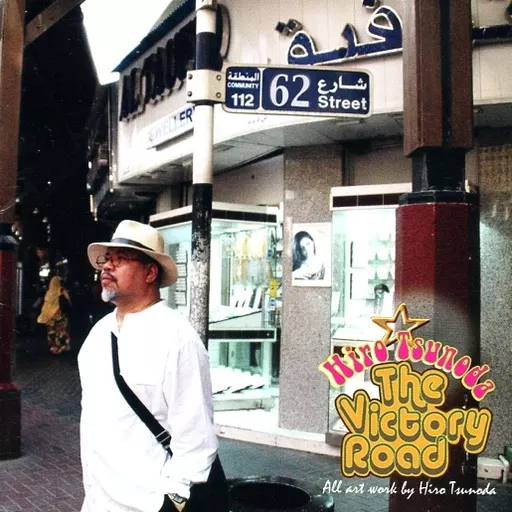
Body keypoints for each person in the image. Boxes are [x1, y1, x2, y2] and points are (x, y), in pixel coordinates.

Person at [79, 220, 226, 512]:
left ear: (150, 272)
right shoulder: (98, 335)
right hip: (98, 502)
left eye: (120, 259)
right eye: (107, 258)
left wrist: (173, 503)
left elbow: (196, 442)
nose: (107, 266)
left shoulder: (178, 339)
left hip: (149, 503)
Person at [37, 275, 71, 355]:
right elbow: (68, 300)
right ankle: (62, 347)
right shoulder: (62, 290)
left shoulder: (48, 292)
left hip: (50, 316)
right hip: (60, 314)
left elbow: (45, 305)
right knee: (61, 331)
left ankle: (54, 348)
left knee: (52, 332)